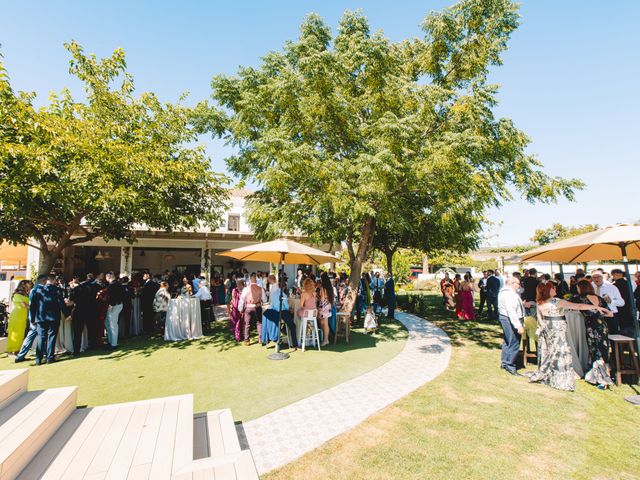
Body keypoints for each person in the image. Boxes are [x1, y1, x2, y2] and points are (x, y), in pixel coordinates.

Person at [528, 282, 609, 391]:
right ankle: (559, 377)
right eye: (552, 288)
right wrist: (595, 306)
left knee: (549, 351)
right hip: (557, 328)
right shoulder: (555, 301)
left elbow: (540, 318)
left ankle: (548, 372)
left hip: (547, 328)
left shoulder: (541, 302)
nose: (555, 288)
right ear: (548, 290)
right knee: (560, 351)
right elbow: (578, 306)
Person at [571, 279, 614, 388]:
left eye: (577, 288)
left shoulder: (580, 299)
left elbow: (568, 305)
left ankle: (601, 377)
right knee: (603, 349)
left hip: (591, 327)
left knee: (595, 350)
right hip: (603, 326)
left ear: (581, 288)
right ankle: (605, 374)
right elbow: (609, 313)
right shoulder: (599, 298)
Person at [30, 274, 69, 365]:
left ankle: (38, 359)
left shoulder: (36, 290)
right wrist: (67, 314)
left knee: (41, 337)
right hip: (53, 317)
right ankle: (50, 357)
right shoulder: (56, 289)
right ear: (52, 280)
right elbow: (61, 303)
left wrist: (32, 318)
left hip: (40, 318)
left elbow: (33, 306)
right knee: (52, 337)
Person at [14, 276, 47, 363]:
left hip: (34, 316)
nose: (30, 284)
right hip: (35, 317)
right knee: (35, 335)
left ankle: (21, 356)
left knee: (32, 335)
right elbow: (31, 305)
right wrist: (32, 318)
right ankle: (40, 355)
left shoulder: (31, 291)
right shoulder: (35, 291)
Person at [497, 277, 526, 375]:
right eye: (518, 284)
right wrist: (518, 326)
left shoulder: (503, 291)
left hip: (505, 317)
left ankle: (505, 362)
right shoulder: (510, 294)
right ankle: (510, 365)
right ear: (513, 284)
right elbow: (511, 311)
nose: (519, 286)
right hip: (510, 319)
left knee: (507, 341)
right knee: (514, 342)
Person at [263, 278, 299, 349]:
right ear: (284, 287)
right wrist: (290, 309)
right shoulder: (283, 295)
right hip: (282, 312)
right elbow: (286, 306)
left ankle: (283, 330)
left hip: (274, 312)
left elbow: (272, 305)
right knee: (293, 325)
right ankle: (294, 344)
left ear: (278, 286)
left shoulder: (273, 294)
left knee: (287, 320)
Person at [238, 273, 267, 345]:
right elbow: (265, 300)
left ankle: (246, 340)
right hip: (257, 307)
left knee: (247, 324)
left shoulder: (246, 289)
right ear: (256, 280)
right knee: (259, 323)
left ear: (250, 279)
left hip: (249, 307)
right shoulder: (260, 288)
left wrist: (240, 308)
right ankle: (260, 339)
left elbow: (242, 299)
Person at [6, 280, 31, 353]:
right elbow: (24, 305)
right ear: (23, 285)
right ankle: (12, 350)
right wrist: (34, 306)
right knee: (15, 333)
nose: (30, 285)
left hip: (22, 316)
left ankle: (17, 350)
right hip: (17, 315)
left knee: (21, 333)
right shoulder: (17, 295)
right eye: (28, 284)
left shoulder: (25, 294)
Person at [611, 269, 633, 335]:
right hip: (629, 306)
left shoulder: (615, 285)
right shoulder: (628, 283)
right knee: (629, 327)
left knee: (623, 327)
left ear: (615, 275)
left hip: (619, 307)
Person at [105, 272, 124, 349]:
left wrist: (111, 305)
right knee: (108, 323)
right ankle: (111, 341)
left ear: (108, 277)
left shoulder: (112, 285)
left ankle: (114, 344)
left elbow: (113, 297)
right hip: (118, 304)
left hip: (114, 305)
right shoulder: (118, 284)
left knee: (113, 325)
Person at [318, 272, 334, 346]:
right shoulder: (329, 287)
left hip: (323, 306)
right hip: (328, 305)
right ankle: (325, 338)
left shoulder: (323, 287)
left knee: (324, 323)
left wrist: (317, 296)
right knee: (324, 323)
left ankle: (325, 339)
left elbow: (322, 299)